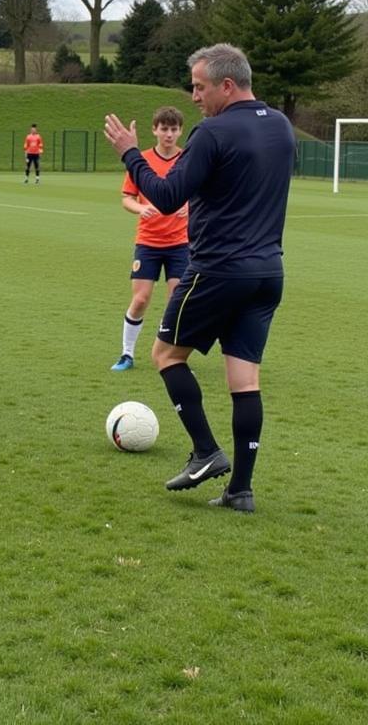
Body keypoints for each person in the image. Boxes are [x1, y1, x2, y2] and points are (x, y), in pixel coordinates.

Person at [104, 44, 295, 514]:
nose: (194, 97)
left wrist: (131, 154)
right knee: (244, 380)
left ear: (226, 85)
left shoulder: (212, 131)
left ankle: (206, 451)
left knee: (165, 355)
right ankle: (241, 491)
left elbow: (167, 196)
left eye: (199, 86)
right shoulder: (282, 126)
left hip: (217, 270)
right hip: (268, 272)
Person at [110, 106, 189, 372]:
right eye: (164, 128)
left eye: (174, 129)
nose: (169, 134)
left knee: (176, 301)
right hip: (148, 242)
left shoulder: (187, 160)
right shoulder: (140, 161)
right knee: (141, 299)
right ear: (154, 130)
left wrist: (188, 207)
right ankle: (127, 354)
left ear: (180, 131)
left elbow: (203, 197)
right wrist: (141, 208)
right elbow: (126, 199)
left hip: (180, 243)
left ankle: (172, 357)